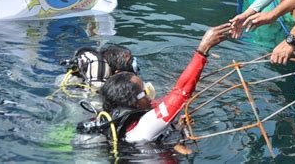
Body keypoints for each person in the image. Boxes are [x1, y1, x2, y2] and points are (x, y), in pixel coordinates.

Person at [78, 23, 231, 143]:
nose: (150, 95)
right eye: (144, 91)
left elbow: (168, 99)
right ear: (134, 102)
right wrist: (203, 49)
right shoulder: (145, 126)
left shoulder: (113, 117)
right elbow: (181, 92)